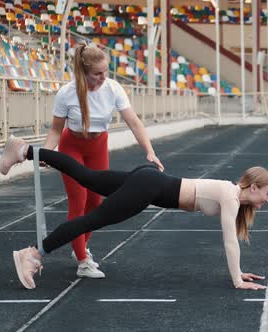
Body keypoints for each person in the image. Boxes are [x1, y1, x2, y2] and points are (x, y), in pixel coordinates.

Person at [0, 136, 268, 291]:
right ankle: (33, 253)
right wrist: (237, 279)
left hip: (150, 180)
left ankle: (24, 150)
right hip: (150, 186)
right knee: (91, 219)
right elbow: (229, 241)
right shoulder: (231, 196)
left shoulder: (230, 193)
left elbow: (231, 240)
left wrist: (239, 273)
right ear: (256, 186)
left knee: (86, 176)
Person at [43, 42, 164, 279]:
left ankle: (78, 243)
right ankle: (83, 260)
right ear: (84, 72)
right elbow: (56, 130)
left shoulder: (113, 88)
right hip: (72, 146)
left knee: (96, 203)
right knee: (78, 200)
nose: (103, 77)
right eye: (97, 74)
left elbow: (134, 122)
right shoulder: (67, 93)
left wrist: (149, 151)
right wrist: (46, 152)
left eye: (106, 71)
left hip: (98, 146)